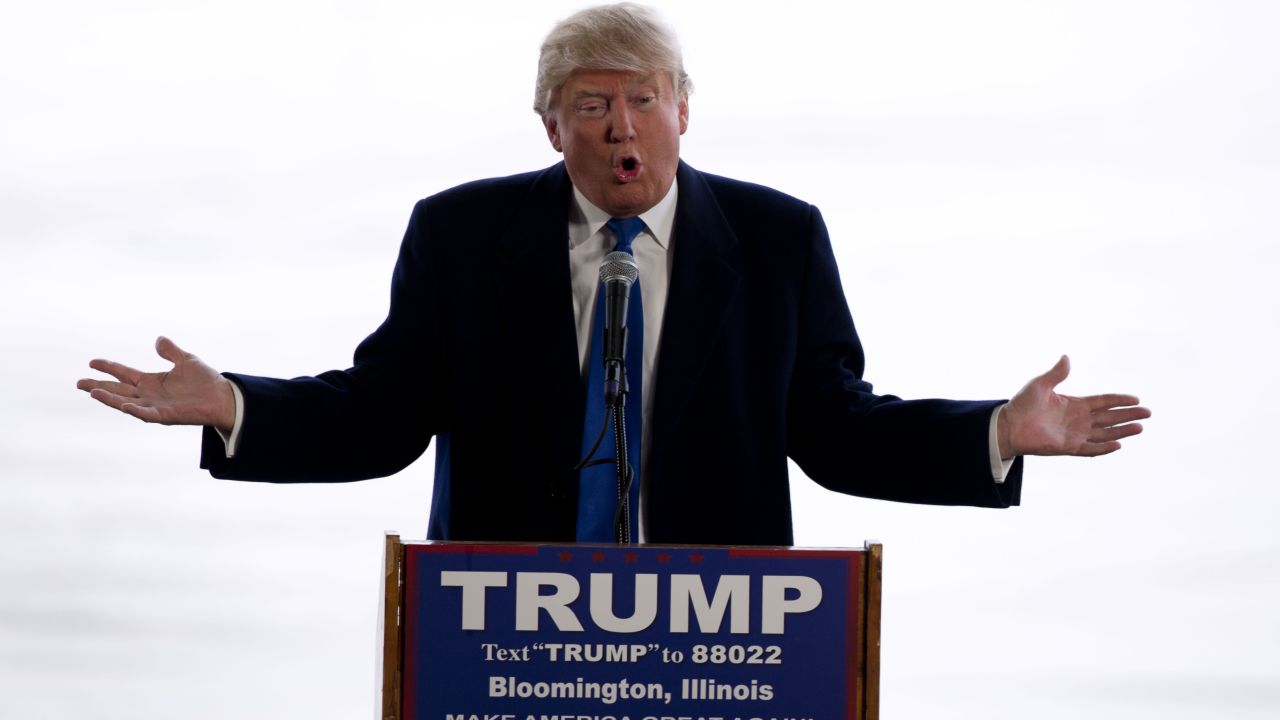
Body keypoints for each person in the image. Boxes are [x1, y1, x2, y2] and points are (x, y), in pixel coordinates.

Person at [76, 3, 1149, 546]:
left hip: (718, 633)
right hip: (507, 625)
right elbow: (384, 416)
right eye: (591, 104)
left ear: (684, 109)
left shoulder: (775, 240)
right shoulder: (459, 236)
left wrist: (994, 436)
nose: (620, 128)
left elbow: (831, 429)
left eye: (642, 100)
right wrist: (235, 409)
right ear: (551, 124)